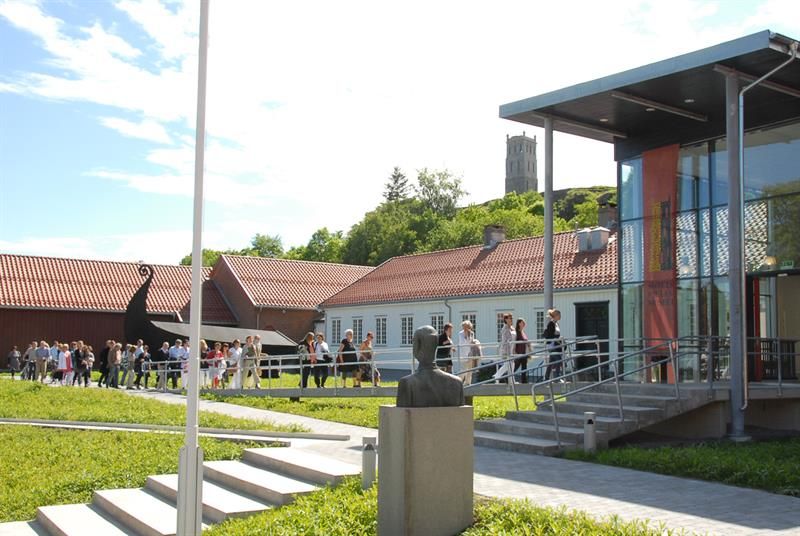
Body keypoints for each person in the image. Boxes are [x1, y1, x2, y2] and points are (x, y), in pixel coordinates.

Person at [397, 325, 465, 408]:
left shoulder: (407, 384)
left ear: (416, 347)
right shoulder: (457, 383)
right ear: (436, 345)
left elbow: (401, 415)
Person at [494, 313, 516, 382]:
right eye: (510, 318)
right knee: (508, 364)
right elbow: (505, 341)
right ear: (506, 320)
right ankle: (497, 375)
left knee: (511, 365)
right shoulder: (505, 329)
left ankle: (511, 380)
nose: (511, 319)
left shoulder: (512, 328)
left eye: (512, 318)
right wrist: (506, 352)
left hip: (512, 349)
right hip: (506, 350)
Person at [543, 309, 563, 381]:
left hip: (556, 345)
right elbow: (550, 335)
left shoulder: (556, 324)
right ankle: (557, 378)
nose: (560, 316)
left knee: (551, 362)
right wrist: (556, 338)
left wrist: (559, 339)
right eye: (559, 315)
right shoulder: (551, 324)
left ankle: (546, 377)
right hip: (552, 345)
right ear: (555, 315)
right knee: (558, 360)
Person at [513, 318, 531, 383]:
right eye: (522, 322)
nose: (524, 324)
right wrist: (514, 351)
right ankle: (507, 377)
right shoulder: (517, 332)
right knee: (516, 366)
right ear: (519, 323)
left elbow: (526, 340)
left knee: (524, 367)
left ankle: (524, 381)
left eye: (524, 322)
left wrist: (529, 346)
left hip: (524, 352)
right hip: (519, 353)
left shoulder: (523, 332)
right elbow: (514, 342)